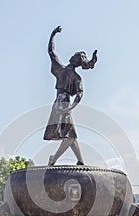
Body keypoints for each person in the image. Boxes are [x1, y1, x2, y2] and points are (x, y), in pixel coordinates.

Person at [43, 26, 97, 166]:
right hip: (64, 104)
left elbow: (51, 51)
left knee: (71, 135)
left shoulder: (61, 69)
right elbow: (79, 94)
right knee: (70, 136)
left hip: (60, 103)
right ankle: (53, 159)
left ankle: (80, 161)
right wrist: (70, 107)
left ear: (74, 59)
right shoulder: (75, 77)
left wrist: (53, 35)